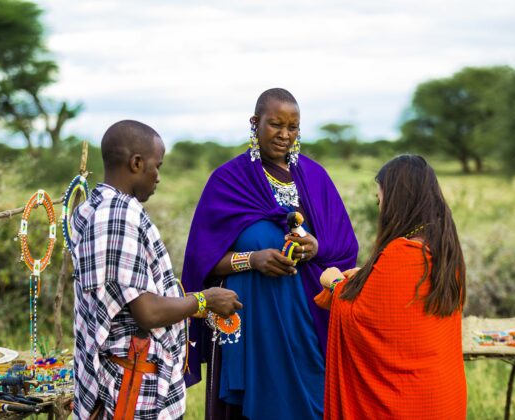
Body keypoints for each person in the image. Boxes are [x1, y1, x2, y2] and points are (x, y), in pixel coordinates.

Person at [182, 88, 358, 419]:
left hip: (306, 318)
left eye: (293, 127)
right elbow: (201, 261)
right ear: (255, 123)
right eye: (276, 124)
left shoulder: (315, 177)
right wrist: (253, 259)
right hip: (251, 322)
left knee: (314, 400)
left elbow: (346, 247)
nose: (285, 135)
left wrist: (315, 248)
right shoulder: (227, 181)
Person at [69, 120, 242, 419]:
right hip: (132, 390)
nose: (158, 177)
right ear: (136, 163)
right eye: (156, 166)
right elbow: (146, 312)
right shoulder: (116, 216)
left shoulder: (95, 206)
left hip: (129, 378)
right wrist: (205, 300)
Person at [317, 154, 467, 419]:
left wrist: (335, 282)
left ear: (398, 200)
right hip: (443, 394)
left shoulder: (401, 252)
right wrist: (367, 274)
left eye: (380, 199)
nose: (380, 207)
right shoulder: (443, 246)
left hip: (405, 402)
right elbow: (402, 304)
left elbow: (361, 317)